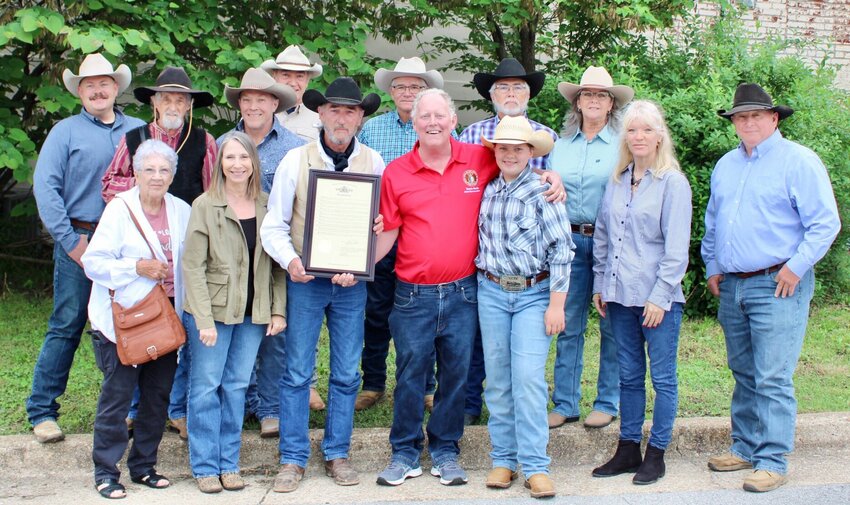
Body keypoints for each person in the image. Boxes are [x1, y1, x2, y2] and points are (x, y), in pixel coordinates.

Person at [373, 89, 564, 488]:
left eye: (440, 115)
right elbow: (387, 231)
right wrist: (353, 267)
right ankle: (405, 452)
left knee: (457, 374)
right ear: (414, 121)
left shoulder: (478, 159)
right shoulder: (396, 172)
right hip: (412, 292)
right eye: (424, 116)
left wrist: (551, 175)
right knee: (410, 374)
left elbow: (521, 169)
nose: (432, 123)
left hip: (464, 292)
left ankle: (445, 450)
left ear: (453, 120)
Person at [702, 83, 840, 493]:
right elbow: (714, 221)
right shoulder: (726, 164)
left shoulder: (798, 161)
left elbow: (825, 222)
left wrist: (796, 268)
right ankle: (744, 446)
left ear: (774, 118)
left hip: (779, 283)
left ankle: (772, 459)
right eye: (740, 117)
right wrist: (712, 265)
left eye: (755, 116)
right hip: (734, 285)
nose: (747, 123)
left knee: (773, 375)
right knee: (743, 371)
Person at [261, 77, 385, 493]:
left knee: (348, 373)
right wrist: (293, 262)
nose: (341, 117)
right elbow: (274, 225)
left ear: (361, 118)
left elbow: (381, 225)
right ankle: (293, 458)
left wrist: (365, 258)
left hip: (352, 285)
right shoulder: (295, 161)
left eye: (351, 111)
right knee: (297, 371)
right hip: (306, 281)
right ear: (320, 113)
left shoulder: (374, 162)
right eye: (334, 109)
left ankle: (337, 452)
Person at [28, 53, 145, 444]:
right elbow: (46, 190)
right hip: (82, 237)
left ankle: (134, 409)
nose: (98, 89)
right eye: (89, 84)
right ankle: (43, 411)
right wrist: (71, 241)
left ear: (117, 87)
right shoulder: (64, 132)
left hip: (129, 244)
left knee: (137, 320)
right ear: (80, 90)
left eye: (105, 83)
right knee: (67, 323)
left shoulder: (139, 130)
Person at [100, 65, 218, 441]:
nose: (172, 103)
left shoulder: (204, 140)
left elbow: (213, 194)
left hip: (187, 243)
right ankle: (135, 410)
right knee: (140, 327)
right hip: (140, 248)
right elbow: (109, 184)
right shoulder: (133, 138)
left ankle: (177, 408)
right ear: (153, 102)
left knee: (181, 328)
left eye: (180, 99)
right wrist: (148, 190)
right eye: (165, 97)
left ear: (189, 106)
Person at [81, 139, 191, 499]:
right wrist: (137, 267)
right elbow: (94, 263)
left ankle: (144, 466)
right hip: (124, 322)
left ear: (172, 175)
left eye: (164, 170)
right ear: (136, 173)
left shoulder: (180, 210)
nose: (157, 176)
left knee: (157, 397)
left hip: (165, 319)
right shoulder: (119, 209)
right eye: (149, 169)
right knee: (117, 398)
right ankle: (105, 472)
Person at [590, 100, 692, 486]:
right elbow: (603, 235)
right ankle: (628, 448)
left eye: (646, 129)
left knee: (662, 378)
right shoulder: (617, 180)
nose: (638, 137)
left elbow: (676, 248)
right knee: (629, 377)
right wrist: (601, 285)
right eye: (632, 130)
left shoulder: (672, 183)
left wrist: (660, 296)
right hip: (618, 297)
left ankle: (657, 453)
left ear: (659, 135)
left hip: (656, 301)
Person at [181, 132, 287, 493]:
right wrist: (203, 320)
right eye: (230, 158)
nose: (237, 164)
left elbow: (277, 265)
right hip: (214, 312)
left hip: (252, 314)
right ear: (219, 164)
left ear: (254, 163)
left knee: (237, 386)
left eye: (244, 157)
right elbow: (192, 267)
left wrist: (278, 310)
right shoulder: (205, 206)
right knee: (206, 387)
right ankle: (205, 465)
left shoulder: (267, 204)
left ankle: (229, 462)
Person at [476, 116, 574, 499]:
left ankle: (535, 465)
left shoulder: (542, 191)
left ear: (532, 153)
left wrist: (556, 305)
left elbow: (563, 250)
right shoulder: (488, 190)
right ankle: (504, 458)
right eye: (504, 148)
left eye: (518, 148)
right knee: (498, 379)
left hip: (535, 294)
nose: (511, 154)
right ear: (495, 152)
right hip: (492, 292)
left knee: (529, 378)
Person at [458, 57, 558, 425]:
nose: (510, 93)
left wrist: (556, 177)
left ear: (528, 94)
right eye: (503, 87)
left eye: (518, 87)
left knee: (525, 350)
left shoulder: (547, 136)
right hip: (482, 248)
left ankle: (528, 412)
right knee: (479, 336)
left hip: (532, 260)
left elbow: (554, 183)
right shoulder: (471, 135)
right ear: (491, 95)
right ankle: (470, 403)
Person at [220, 68, 311, 436]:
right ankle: (240, 401)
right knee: (235, 325)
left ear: (276, 102)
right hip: (230, 252)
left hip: (274, 252)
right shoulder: (223, 143)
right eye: (247, 99)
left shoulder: (293, 147)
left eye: (262, 99)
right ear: (239, 104)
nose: (254, 106)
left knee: (275, 327)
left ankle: (270, 406)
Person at [355, 56, 446, 412]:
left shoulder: (439, 130)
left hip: (423, 235)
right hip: (382, 232)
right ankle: (374, 381)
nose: (408, 92)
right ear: (391, 91)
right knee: (376, 311)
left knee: (424, 313)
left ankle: (427, 384)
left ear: (427, 92)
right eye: (401, 86)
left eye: (416, 86)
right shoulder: (372, 130)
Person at [547, 66, 634, 430]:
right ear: (577, 102)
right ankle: (565, 402)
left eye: (601, 95)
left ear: (611, 103)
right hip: (568, 241)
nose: (594, 100)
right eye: (587, 94)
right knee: (568, 325)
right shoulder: (559, 147)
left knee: (611, 323)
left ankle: (607, 400)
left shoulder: (623, 146)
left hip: (610, 242)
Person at [262, 45, 323, 141]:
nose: (293, 83)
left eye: (299, 76)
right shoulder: (258, 113)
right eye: (286, 75)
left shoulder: (321, 118)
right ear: (274, 76)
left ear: (307, 80)